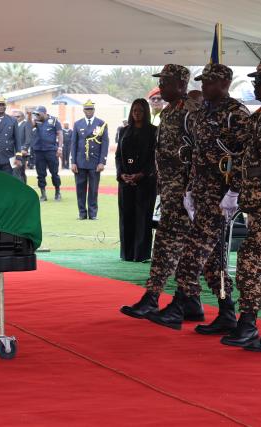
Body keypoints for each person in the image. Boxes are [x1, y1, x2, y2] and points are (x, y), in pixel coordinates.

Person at [148, 64, 249, 332]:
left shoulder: (236, 114)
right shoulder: (202, 113)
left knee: (191, 255)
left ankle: (179, 306)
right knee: (215, 262)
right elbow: (195, 154)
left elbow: (244, 157)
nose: (204, 86)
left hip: (221, 197)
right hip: (202, 195)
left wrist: (235, 192)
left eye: (211, 82)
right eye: (203, 82)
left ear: (225, 83)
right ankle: (227, 311)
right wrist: (191, 189)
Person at [121, 64, 203, 321]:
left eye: (166, 82)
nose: (162, 87)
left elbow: (202, 152)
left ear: (181, 84)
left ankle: (159, 298)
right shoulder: (168, 113)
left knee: (175, 246)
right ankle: (183, 301)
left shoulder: (191, 112)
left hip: (186, 195)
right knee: (173, 246)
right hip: (169, 191)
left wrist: (192, 190)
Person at [220, 59, 261, 350]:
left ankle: (247, 323)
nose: (256, 84)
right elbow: (247, 161)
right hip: (257, 207)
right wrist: (233, 193)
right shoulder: (259, 117)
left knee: (250, 263)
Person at [115, 99, 157, 262]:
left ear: (145, 112)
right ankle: (127, 253)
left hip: (145, 181)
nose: (136, 113)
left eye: (139, 110)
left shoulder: (154, 131)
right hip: (125, 181)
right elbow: (118, 156)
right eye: (134, 110)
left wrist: (142, 174)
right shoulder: (124, 131)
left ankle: (141, 254)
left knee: (143, 217)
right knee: (126, 216)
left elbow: (155, 157)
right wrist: (122, 174)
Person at [70, 100, 109, 218]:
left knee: (93, 189)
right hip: (80, 162)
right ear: (83, 110)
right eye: (86, 109)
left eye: (91, 109)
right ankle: (82, 213)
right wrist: (73, 162)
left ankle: (93, 214)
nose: (88, 111)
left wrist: (102, 161)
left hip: (95, 162)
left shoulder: (101, 123)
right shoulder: (78, 124)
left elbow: (105, 143)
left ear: (94, 110)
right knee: (80, 189)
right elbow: (73, 143)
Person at [31, 106, 63, 201]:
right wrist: (31, 118)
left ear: (44, 113)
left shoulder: (53, 120)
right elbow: (30, 126)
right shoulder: (36, 121)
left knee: (54, 173)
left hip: (51, 151)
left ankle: (57, 192)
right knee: (40, 174)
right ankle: (43, 194)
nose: (37, 116)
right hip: (39, 151)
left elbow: (60, 133)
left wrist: (60, 148)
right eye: (35, 114)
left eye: (38, 114)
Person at [0, 96, 21, 175]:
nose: (1, 107)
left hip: (8, 157)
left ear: (6, 106)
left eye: (3, 105)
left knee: (8, 181)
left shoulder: (12, 120)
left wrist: (19, 157)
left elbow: (17, 140)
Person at [11, 109, 31, 183]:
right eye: (14, 117)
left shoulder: (26, 124)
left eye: (17, 116)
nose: (15, 118)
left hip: (22, 152)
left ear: (22, 117)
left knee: (19, 172)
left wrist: (25, 149)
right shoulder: (13, 125)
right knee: (17, 172)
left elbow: (28, 138)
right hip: (14, 152)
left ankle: (22, 189)